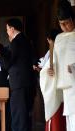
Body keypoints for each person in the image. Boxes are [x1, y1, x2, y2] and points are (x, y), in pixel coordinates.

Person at [40, 1, 75, 131]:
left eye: (67, 22)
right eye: (61, 24)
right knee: (70, 121)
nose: (64, 26)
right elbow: (54, 62)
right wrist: (49, 70)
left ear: (72, 19)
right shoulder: (59, 38)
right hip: (66, 87)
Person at [6, 18, 35, 131]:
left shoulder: (16, 41)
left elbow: (8, 62)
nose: (7, 32)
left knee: (18, 116)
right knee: (25, 115)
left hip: (19, 84)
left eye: (7, 29)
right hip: (28, 83)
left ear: (12, 29)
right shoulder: (27, 40)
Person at [38, 29, 66, 131]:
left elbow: (46, 72)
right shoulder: (56, 51)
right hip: (63, 90)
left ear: (49, 40)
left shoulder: (54, 52)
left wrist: (44, 72)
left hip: (56, 91)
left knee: (57, 119)